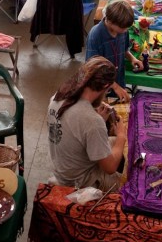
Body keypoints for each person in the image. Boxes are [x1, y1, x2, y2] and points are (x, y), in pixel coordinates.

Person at [46, 56, 128, 191]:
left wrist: (99, 120)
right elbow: (110, 168)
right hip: (80, 181)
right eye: (107, 90)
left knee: (113, 142)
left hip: (62, 167)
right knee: (131, 185)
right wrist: (121, 136)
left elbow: (73, 130)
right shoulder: (92, 120)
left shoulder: (57, 97)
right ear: (105, 86)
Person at [85, 0, 143, 103]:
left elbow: (125, 49)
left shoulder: (123, 31)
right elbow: (92, 69)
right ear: (110, 21)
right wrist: (114, 86)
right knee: (103, 108)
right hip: (100, 87)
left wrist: (132, 58)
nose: (125, 30)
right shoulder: (95, 35)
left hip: (118, 80)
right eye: (123, 28)